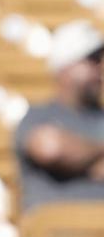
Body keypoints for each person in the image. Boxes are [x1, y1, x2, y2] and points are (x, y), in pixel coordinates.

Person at [15, 19, 104, 212]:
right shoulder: (39, 115)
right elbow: (50, 148)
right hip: (55, 235)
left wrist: (80, 157)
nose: (100, 68)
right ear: (65, 66)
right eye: (92, 59)